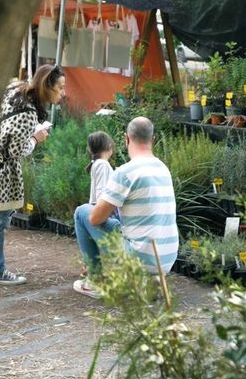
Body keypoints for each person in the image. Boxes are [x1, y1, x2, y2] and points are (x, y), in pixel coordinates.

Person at [72, 117, 178, 298]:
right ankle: (151, 280)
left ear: (126, 139)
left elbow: (95, 218)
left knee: (82, 212)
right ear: (153, 139)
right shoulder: (163, 169)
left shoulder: (126, 172)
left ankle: (95, 281)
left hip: (139, 256)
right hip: (166, 258)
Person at [0, 65, 65, 285]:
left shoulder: (15, 90)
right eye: (60, 88)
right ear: (47, 86)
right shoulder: (28, 112)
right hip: (2, 173)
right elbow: (16, 151)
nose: (63, 93)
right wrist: (36, 138)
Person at [86, 131, 115, 205]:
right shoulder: (102, 164)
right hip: (99, 207)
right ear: (109, 146)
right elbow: (101, 189)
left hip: (97, 206)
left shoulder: (98, 163)